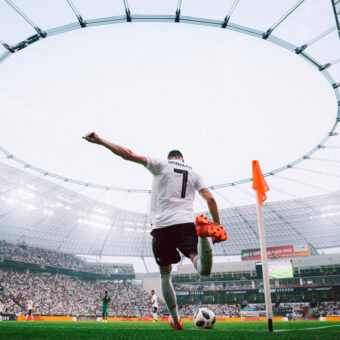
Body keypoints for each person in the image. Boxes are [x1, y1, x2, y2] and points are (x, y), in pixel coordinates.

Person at [83, 132, 227, 330]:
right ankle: (204, 236)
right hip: (186, 224)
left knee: (165, 276)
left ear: (170, 158)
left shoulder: (162, 164)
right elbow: (210, 198)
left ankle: (176, 321)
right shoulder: (194, 172)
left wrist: (100, 141)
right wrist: (217, 225)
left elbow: (128, 154)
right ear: (183, 160)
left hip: (161, 227)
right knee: (203, 269)